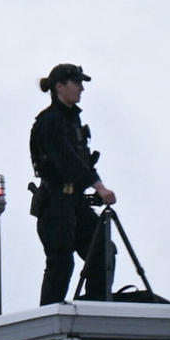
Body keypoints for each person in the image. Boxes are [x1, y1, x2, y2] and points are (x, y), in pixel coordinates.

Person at [29, 63, 117, 305]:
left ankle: (94, 309)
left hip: (75, 203)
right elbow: (66, 161)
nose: (81, 89)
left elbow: (82, 162)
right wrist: (99, 187)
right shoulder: (50, 122)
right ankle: (49, 318)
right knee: (61, 263)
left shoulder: (72, 121)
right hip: (55, 205)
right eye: (76, 83)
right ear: (60, 87)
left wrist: (95, 185)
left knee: (103, 252)